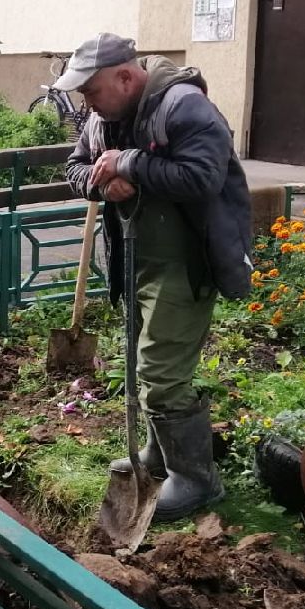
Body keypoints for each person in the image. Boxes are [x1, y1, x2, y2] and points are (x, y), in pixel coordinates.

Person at [60, 33, 253, 524]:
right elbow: (76, 165)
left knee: (162, 373)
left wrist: (130, 164)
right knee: (143, 363)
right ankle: (159, 456)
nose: (88, 104)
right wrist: (104, 184)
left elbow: (203, 178)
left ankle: (197, 479)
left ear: (126, 77)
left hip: (185, 261)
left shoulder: (186, 107)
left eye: (92, 92)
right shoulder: (106, 116)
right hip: (135, 258)